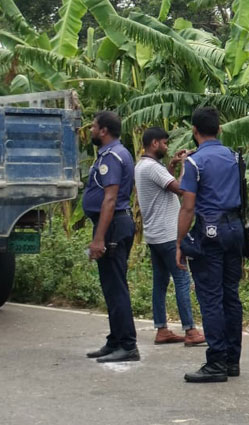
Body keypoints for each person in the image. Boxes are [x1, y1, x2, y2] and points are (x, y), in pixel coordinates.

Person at [176, 107, 244, 383]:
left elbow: (188, 207)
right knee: (231, 295)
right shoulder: (234, 157)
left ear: (194, 131)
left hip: (210, 231)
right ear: (219, 129)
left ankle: (215, 361)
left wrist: (180, 241)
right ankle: (231, 361)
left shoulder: (195, 163)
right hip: (235, 229)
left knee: (211, 298)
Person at [135, 127, 205, 346]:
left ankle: (162, 329)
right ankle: (190, 331)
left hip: (154, 235)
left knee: (160, 282)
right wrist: (186, 165)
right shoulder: (152, 168)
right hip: (168, 234)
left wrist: (173, 165)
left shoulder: (143, 166)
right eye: (165, 143)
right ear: (154, 143)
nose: (167, 147)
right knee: (182, 280)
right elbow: (182, 189)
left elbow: (161, 186)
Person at [83, 111, 140, 363]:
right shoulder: (112, 153)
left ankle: (127, 345)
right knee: (111, 286)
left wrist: (99, 238)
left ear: (104, 130)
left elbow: (110, 198)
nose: (91, 130)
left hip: (113, 226)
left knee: (116, 287)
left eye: (94, 127)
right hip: (113, 224)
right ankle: (115, 340)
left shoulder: (112, 156)